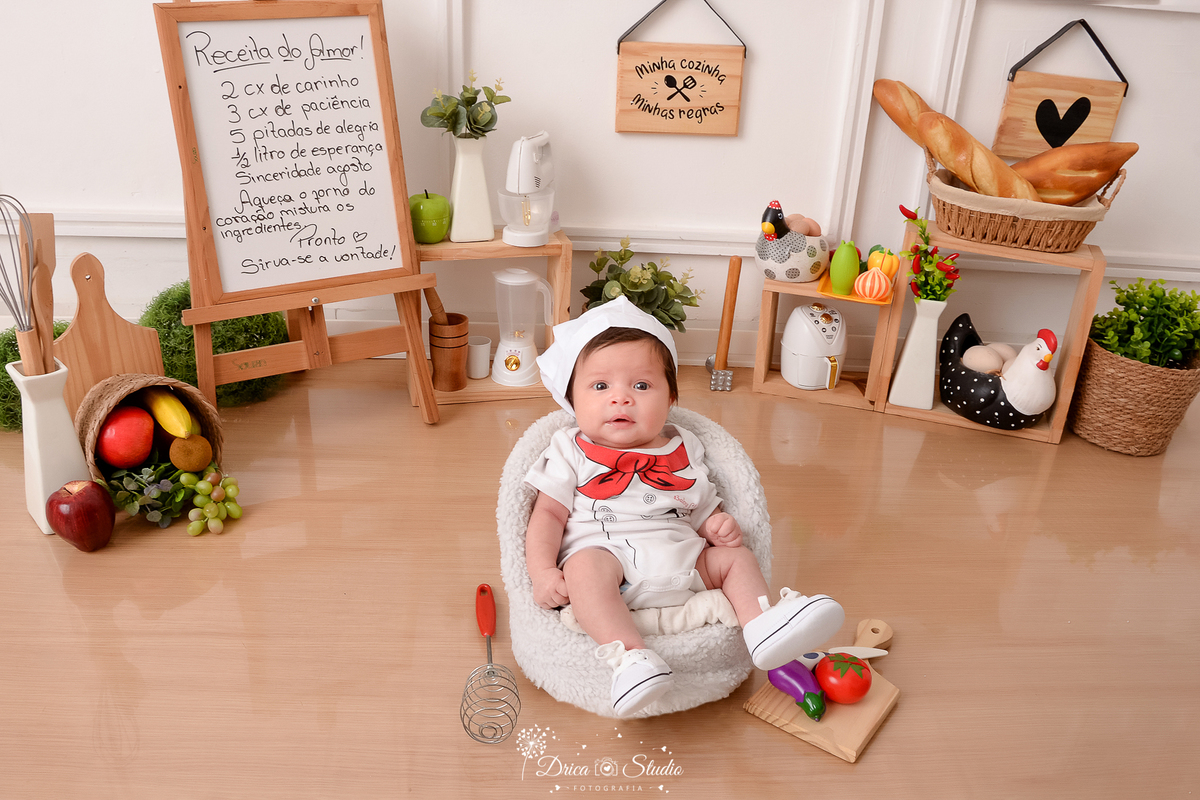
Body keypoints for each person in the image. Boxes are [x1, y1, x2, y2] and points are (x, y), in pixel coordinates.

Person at [525, 296, 843, 717]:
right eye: (600, 386)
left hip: (685, 560)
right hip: (612, 566)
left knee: (736, 558)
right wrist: (543, 572)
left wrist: (716, 526)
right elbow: (547, 515)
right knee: (583, 570)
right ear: (571, 400)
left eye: (641, 386)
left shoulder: (685, 445)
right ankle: (632, 660)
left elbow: (702, 506)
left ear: (671, 397)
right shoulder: (569, 448)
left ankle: (764, 625)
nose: (621, 398)